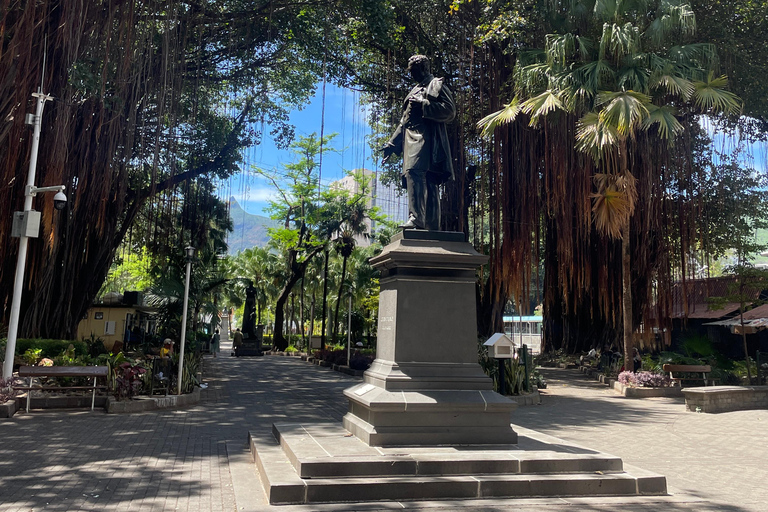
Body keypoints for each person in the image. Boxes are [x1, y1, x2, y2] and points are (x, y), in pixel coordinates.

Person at [380, 54, 456, 231]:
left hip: (428, 138)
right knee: (425, 179)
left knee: (416, 173)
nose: (411, 74)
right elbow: (404, 121)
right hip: (410, 137)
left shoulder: (436, 84)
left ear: (424, 68)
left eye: (414, 70)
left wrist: (424, 104)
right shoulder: (414, 89)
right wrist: (391, 145)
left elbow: (450, 111)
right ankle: (429, 225)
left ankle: (417, 219)